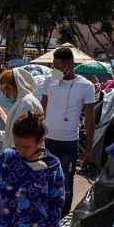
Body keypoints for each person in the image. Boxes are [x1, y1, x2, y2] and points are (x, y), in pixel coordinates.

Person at [41, 46, 96, 217]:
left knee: (66, 182)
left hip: (69, 143)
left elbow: (89, 118)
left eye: (57, 67)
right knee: (45, 180)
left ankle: (61, 218)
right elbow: (42, 108)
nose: (53, 70)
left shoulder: (86, 86)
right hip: (48, 140)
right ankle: (45, 215)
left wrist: (88, 148)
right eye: (53, 66)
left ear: (69, 66)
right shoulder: (49, 81)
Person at [0, 68, 42, 149]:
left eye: (4, 91)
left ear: (9, 87)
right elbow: (15, 133)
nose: (4, 95)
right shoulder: (22, 102)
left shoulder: (27, 103)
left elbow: (27, 138)